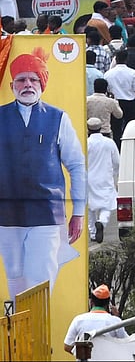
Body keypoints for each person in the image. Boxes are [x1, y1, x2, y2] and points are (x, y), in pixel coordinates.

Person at [0, 47, 85, 296]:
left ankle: (37, 334)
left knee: (40, 281)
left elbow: (77, 165)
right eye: (21, 80)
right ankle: (20, 335)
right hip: (6, 214)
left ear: (41, 82)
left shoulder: (58, 118)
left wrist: (78, 211)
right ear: (13, 84)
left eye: (33, 79)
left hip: (46, 212)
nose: (27, 84)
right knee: (15, 276)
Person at [63, 285, 126, 355]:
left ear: (91, 302)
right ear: (107, 304)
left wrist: (83, 355)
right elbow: (127, 343)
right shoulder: (115, 321)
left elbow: (67, 346)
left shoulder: (78, 320)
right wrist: (117, 318)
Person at [85, 117, 119, 244]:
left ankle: (93, 233)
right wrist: (114, 173)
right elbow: (117, 162)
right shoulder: (109, 143)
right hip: (105, 177)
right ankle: (102, 222)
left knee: (89, 207)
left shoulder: (85, 143)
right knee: (107, 204)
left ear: (88, 129)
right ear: (100, 128)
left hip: (89, 179)